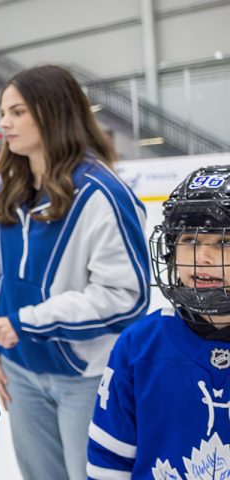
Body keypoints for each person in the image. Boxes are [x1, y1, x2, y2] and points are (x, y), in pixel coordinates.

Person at [0, 64, 149, 480]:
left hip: (84, 378)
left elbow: (125, 297)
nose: (5, 123)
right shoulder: (8, 196)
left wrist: (28, 323)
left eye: (17, 112)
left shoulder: (102, 194)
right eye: (4, 112)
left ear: (53, 111)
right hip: (20, 372)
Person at [87, 165, 230, 479]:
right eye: (190, 240)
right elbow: (109, 458)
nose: (202, 257)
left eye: (223, 243)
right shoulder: (139, 344)